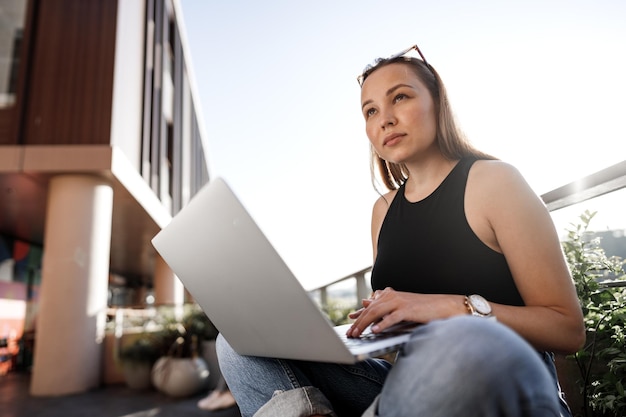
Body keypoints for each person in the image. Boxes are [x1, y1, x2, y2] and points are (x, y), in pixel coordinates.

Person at [216, 44, 586, 417]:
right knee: (240, 344)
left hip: (495, 382)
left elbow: (567, 329)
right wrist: (369, 328)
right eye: (371, 111)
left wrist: (447, 308)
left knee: (462, 351)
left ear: (438, 103)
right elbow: (400, 343)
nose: (385, 119)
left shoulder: (494, 182)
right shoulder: (383, 211)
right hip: (412, 388)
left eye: (401, 98)